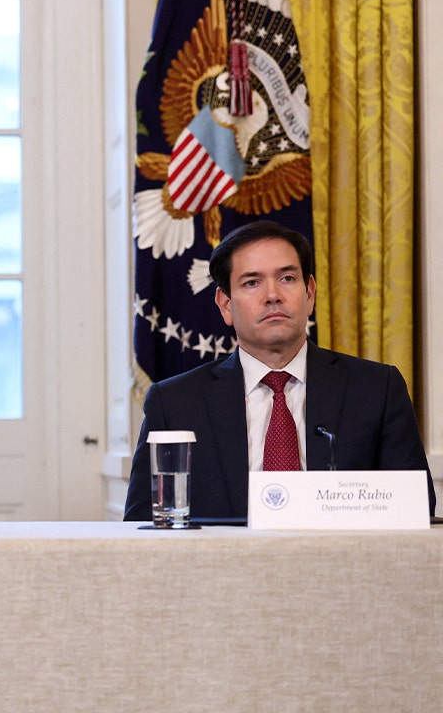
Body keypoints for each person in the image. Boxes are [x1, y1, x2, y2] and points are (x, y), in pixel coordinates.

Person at [125, 221, 436, 520]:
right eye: (252, 282)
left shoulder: (376, 389)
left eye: (287, 278)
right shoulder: (175, 402)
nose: (272, 295)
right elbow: (143, 524)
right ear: (225, 305)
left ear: (309, 293)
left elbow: (415, 507)